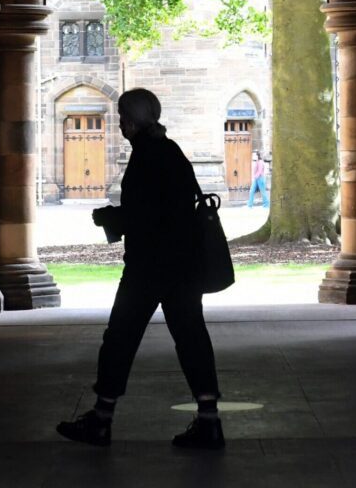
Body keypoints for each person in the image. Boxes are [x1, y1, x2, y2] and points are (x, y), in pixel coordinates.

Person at [56, 88, 224, 450]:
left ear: (129, 121)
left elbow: (149, 215)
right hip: (183, 266)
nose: (119, 125)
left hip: (149, 267)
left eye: (120, 118)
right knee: (192, 338)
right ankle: (209, 421)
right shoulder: (171, 151)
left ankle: (101, 420)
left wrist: (110, 217)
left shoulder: (147, 156)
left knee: (119, 339)